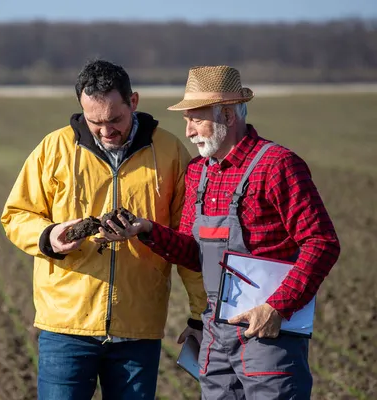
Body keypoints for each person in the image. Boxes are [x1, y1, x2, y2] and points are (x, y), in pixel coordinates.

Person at [98, 65, 341, 399]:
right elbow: (195, 254)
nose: (189, 131)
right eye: (186, 121)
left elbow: (322, 242)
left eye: (196, 119)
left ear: (228, 115)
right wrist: (147, 229)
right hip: (215, 336)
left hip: (268, 336)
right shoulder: (199, 173)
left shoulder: (277, 165)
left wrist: (277, 308)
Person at [0, 59, 207, 400]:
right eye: (95, 122)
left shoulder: (169, 152)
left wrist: (200, 314)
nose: (106, 131)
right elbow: (16, 215)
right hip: (65, 327)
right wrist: (48, 237)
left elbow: (188, 241)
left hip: (138, 328)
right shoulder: (53, 149)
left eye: (115, 120)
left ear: (134, 102)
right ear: (81, 108)